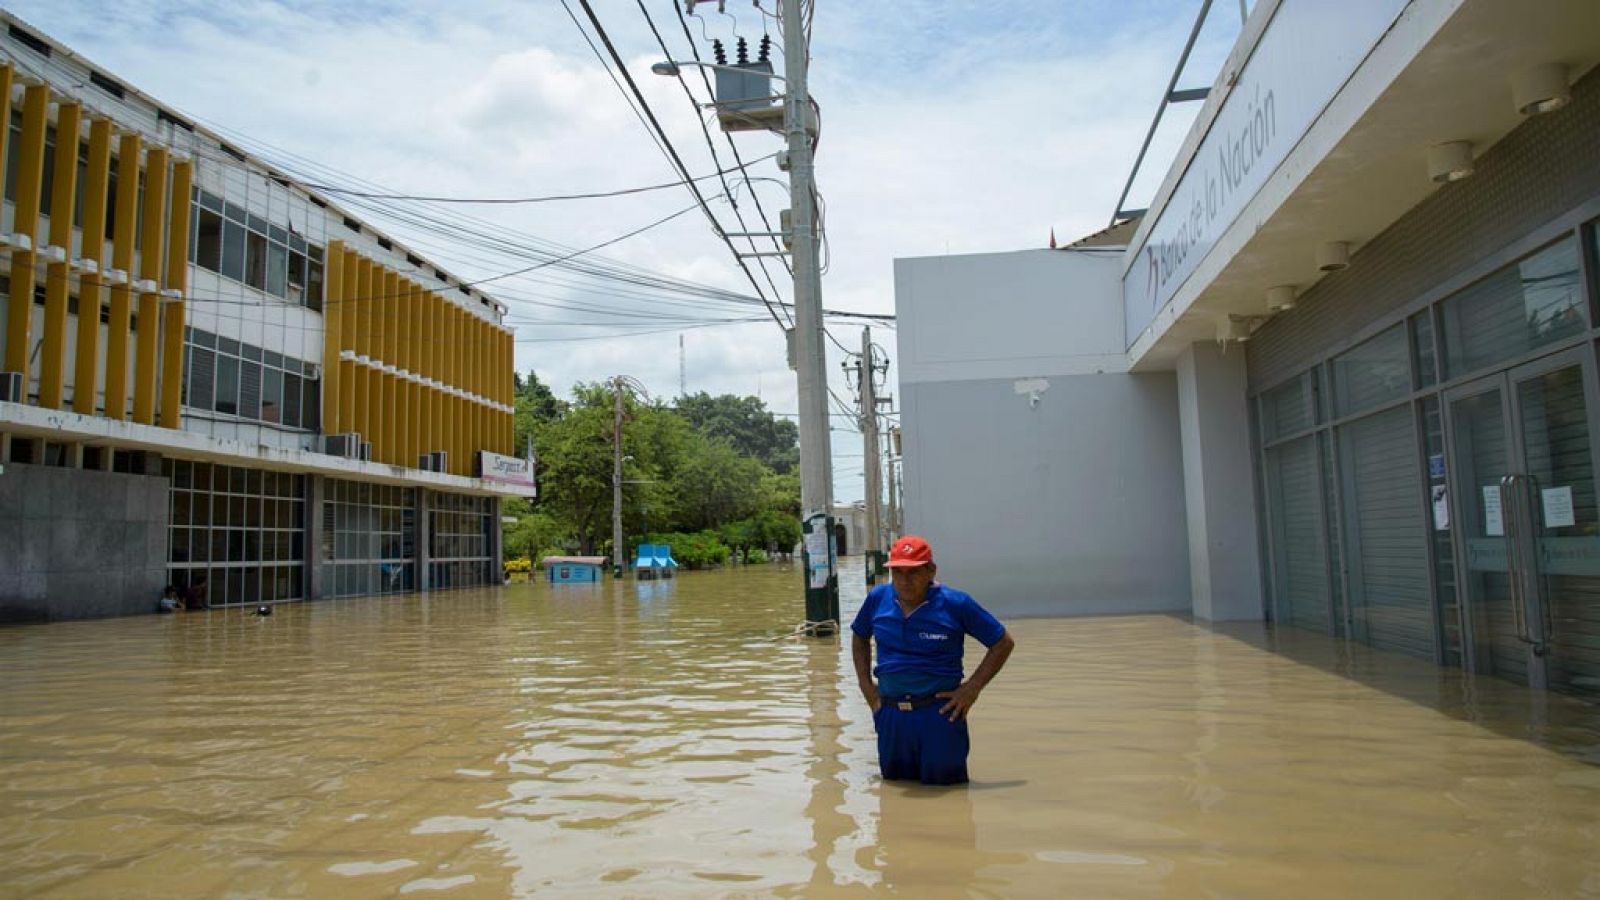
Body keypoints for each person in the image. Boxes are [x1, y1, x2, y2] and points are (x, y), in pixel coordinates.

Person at [852, 535, 1015, 785]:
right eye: (898, 572)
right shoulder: (877, 599)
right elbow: (860, 637)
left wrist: (972, 689)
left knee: (948, 800)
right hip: (891, 715)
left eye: (913, 572)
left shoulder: (956, 603)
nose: (905, 581)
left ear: (931, 571)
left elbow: (1002, 643)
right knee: (894, 799)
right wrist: (867, 689)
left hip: (939, 716)